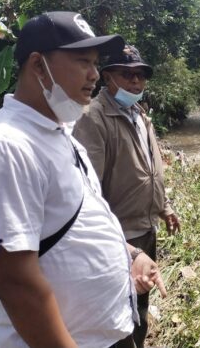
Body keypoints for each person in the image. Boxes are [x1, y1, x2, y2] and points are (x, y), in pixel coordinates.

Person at [0, 11, 167, 348]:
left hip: (108, 333)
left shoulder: (62, 136)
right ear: (38, 66)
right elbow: (14, 280)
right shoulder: (8, 145)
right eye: (82, 62)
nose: (94, 75)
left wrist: (130, 254)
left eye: (96, 63)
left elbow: (80, 220)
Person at [73, 45, 180, 348]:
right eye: (127, 74)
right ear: (107, 76)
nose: (135, 82)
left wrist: (164, 206)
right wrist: (117, 243)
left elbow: (151, 164)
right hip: (116, 237)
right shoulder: (93, 118)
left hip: (145, 231)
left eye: (140, 76)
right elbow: (87, 188)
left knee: (140, 310)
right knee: (117, 315)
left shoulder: (139, 115)